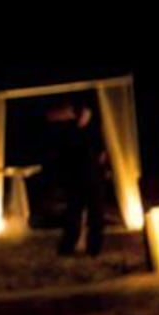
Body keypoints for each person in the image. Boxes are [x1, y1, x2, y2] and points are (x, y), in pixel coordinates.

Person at [44, 98, 108, 256]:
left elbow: (100, 150)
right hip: (76, 176)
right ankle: (70, 246)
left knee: (94, 214)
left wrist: (102, 164)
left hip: (91, 174)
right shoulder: (67, 129)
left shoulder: (91, 128)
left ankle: (92, 248)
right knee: (74, 213)